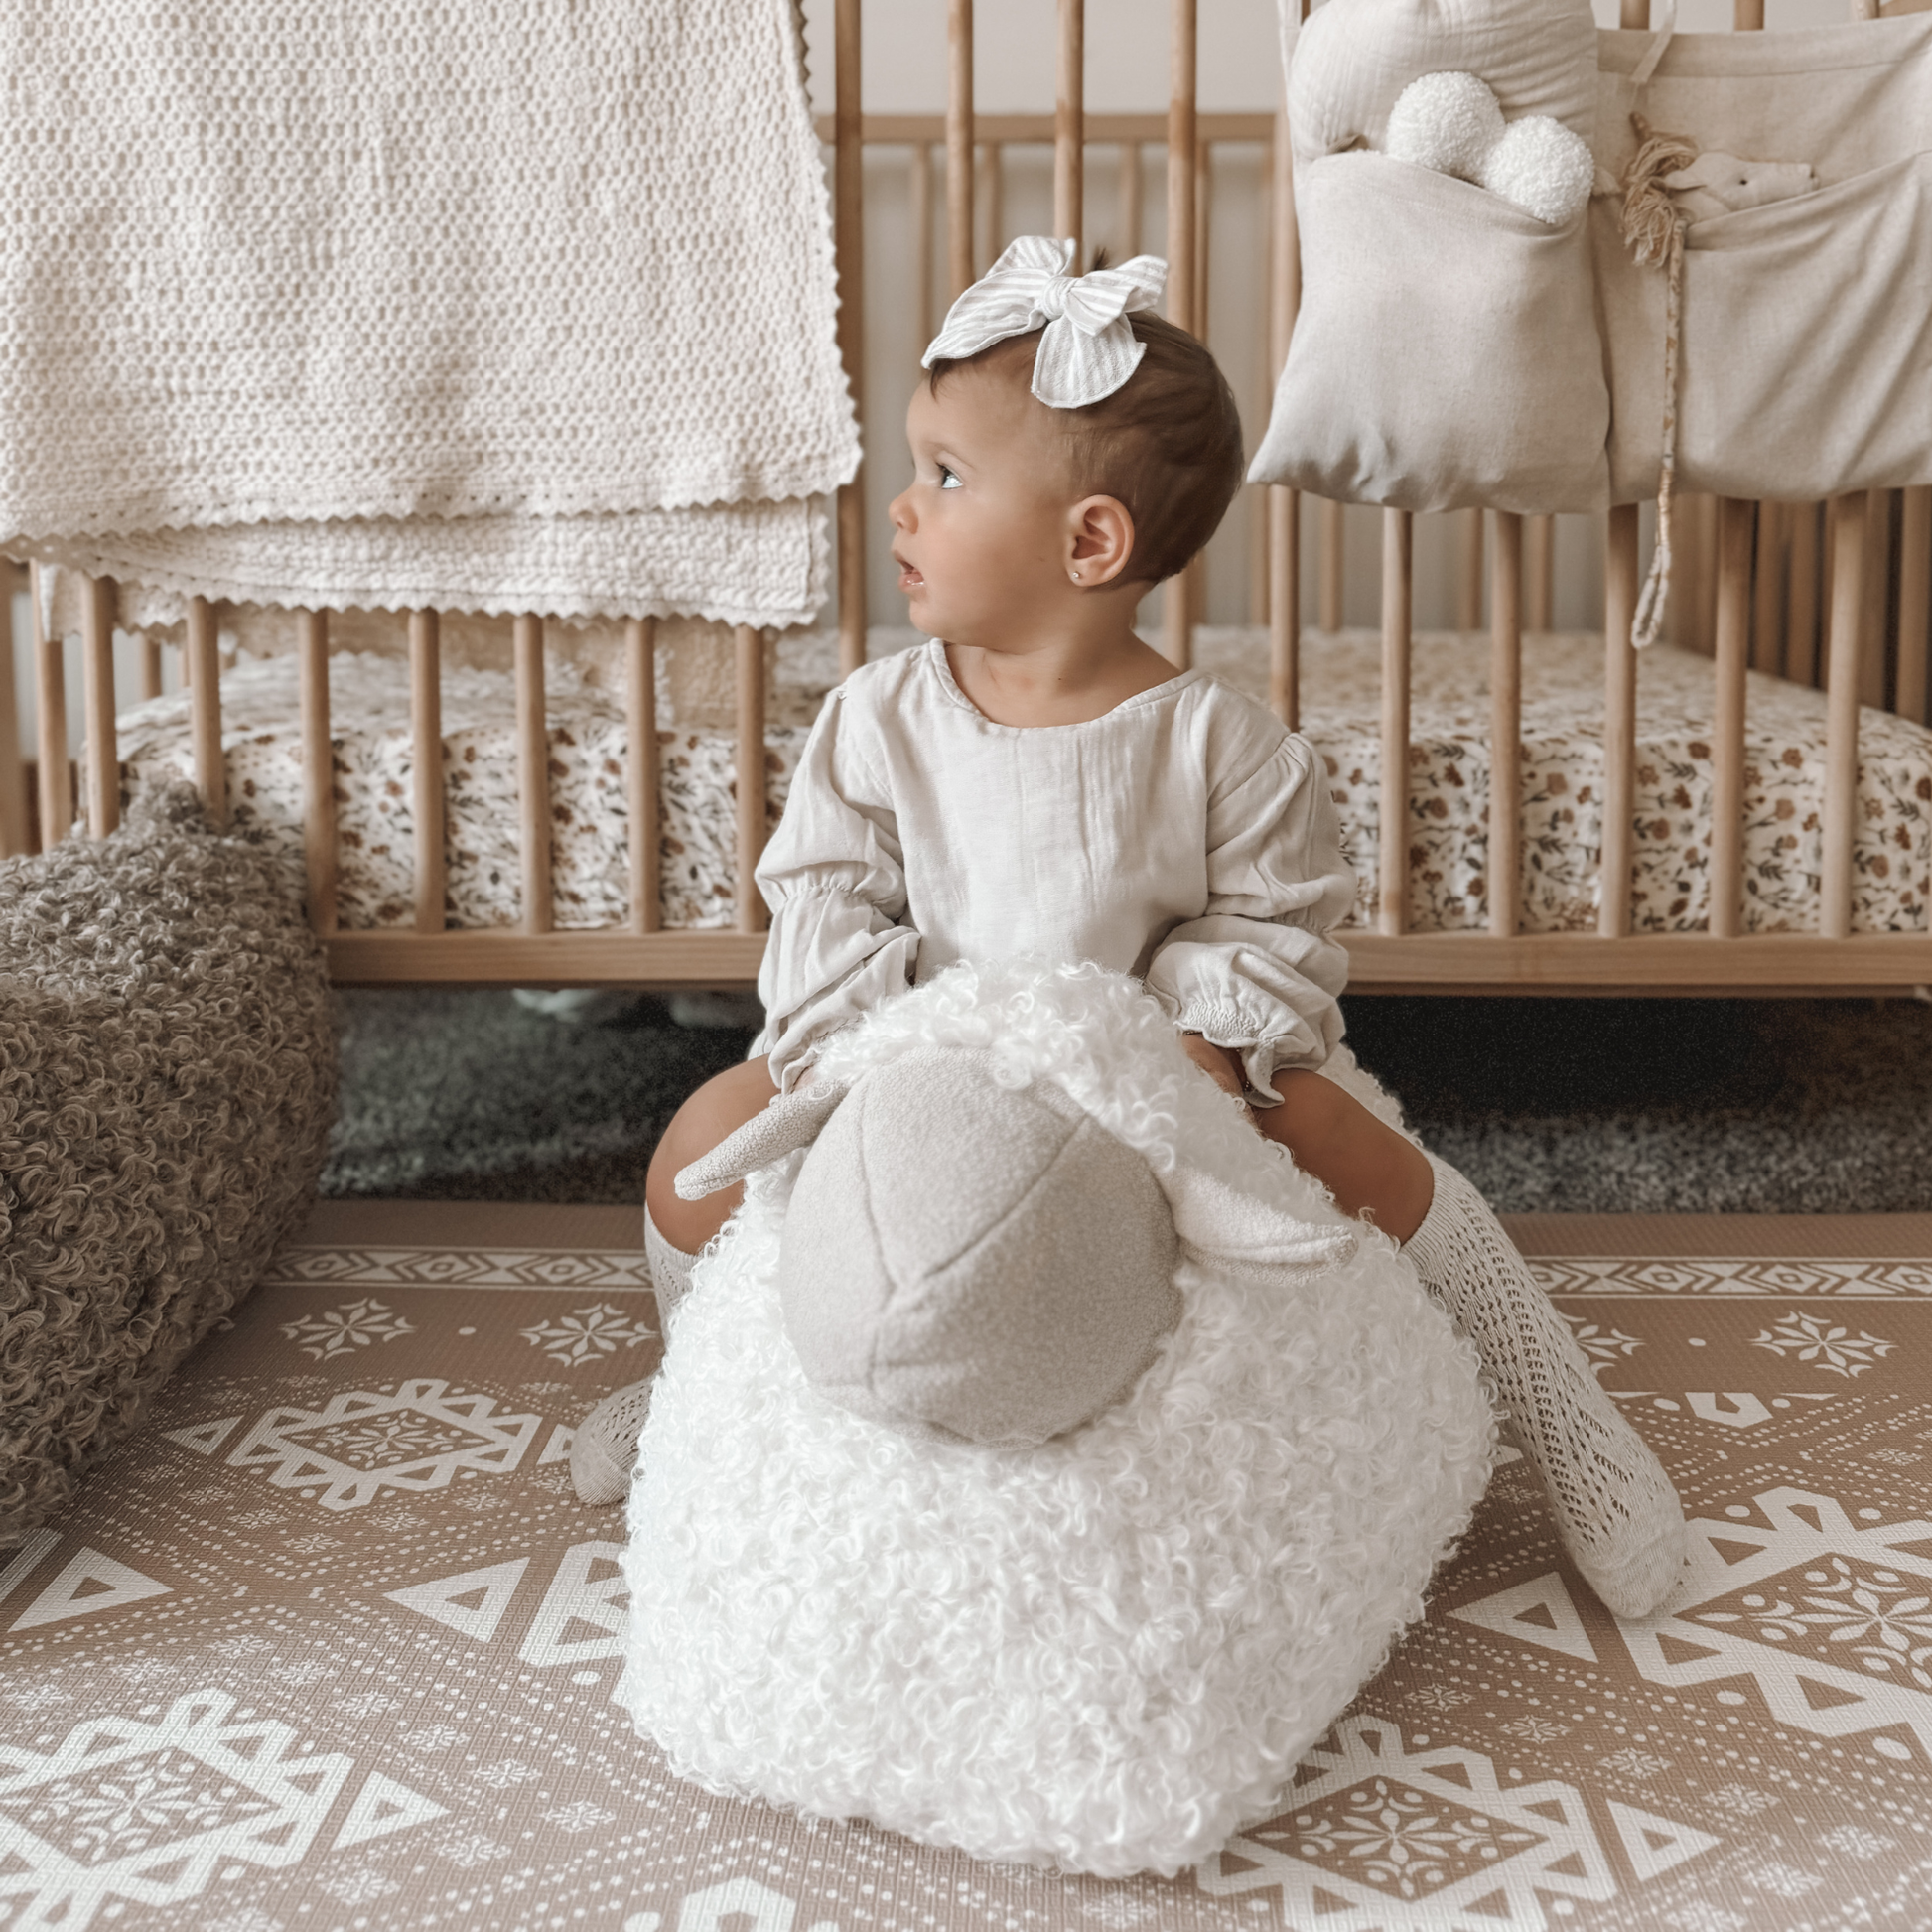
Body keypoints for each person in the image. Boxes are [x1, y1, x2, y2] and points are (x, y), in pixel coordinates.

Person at [575, 239, 1686, 1623]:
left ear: (1089, 542)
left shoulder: (1220, 744)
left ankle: (1558, 1406)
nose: (902, 506)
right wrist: (866, 1035)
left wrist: (1200, 1042)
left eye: (946, 475)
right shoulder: (877, 718)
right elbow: (823, 894)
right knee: (698, 1144)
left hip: (1144, 1068)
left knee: (1347, 1140)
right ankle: (696, 1383)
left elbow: (1269, 921)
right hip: (917, 1061)